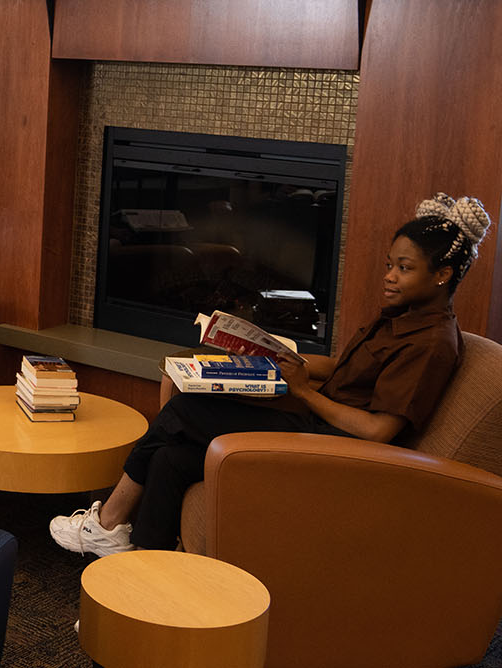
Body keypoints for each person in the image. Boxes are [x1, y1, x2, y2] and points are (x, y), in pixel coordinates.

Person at [49, 192, 493, 556]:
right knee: (170, 458)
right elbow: (347, 369)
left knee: (183, 410)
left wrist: (303, 391)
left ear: (443, 275)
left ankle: (109, 522)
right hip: (314, 423)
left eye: (404, 268)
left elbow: (378, 430)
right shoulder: (403, 317)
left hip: (333, 450)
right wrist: (272, 352)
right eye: (389, 264)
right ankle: (144, 567)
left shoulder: (431, 343)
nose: (389, 277)